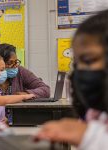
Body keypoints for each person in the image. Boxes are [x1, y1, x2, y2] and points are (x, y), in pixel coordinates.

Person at [35, 9, 108, 150]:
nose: (81, 71)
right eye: (77, 64)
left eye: (88, 60)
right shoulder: (96, 113)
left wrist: (88, 135)